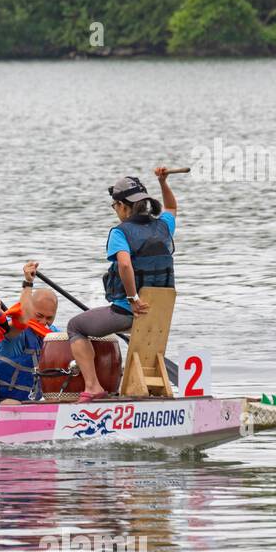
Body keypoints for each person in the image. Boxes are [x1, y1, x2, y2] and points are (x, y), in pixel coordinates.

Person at [70, 168, 178, 401]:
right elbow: (171, 208)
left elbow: (125, 265)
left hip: (129, 312)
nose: (115, 211)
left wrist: (133, 299)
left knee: (75, 327)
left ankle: (92, 387)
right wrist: (163, 182)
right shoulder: (164, 227)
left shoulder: (120, 232)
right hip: (159, 315)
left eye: (114, 206)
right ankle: (143, 387)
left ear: (122, 205)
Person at [0, 261, 59, 402]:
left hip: (32, 401)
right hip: (2, 401)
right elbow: (22, 319)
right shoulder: (15, 332)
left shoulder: (54, 334)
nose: (44, 323)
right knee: (11, 404)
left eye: (49, 318)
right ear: (30, 310)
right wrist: (28, 283)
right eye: (39, 316)